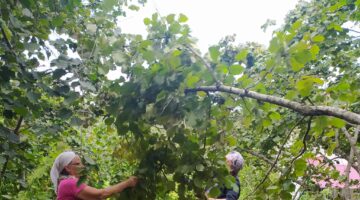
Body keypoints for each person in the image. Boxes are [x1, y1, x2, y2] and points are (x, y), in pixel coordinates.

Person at [50, 151, 138, 200]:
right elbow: (101, 194)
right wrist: (128, 183)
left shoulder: (64, 183)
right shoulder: (69, 183)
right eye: (78, 164)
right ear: (67, 168)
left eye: (82, 163)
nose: (82, 166)